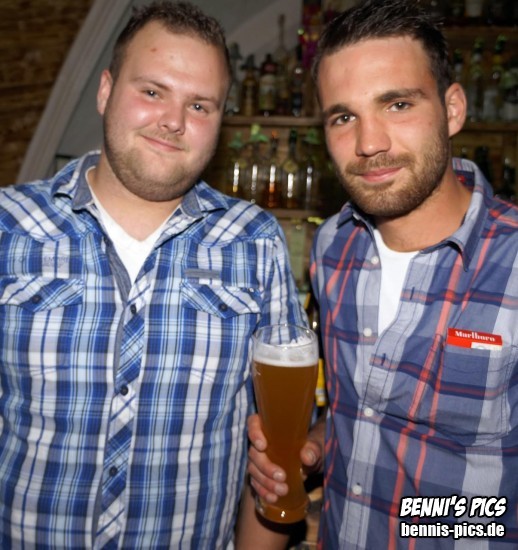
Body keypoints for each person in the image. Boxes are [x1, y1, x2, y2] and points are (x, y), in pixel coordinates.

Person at [0, 1, 305, 548]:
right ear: (105, 91)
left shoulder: (255, 241)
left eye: (199, 105)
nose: (174, 121)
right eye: (152, 91)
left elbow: (275, 456)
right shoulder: (9, 226)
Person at [247, 0, 518, 547]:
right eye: (344, 117)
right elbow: (361, 412)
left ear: (453, 109)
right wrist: (316, 446)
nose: (369, 143)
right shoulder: (333, 247)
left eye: (397, 104)